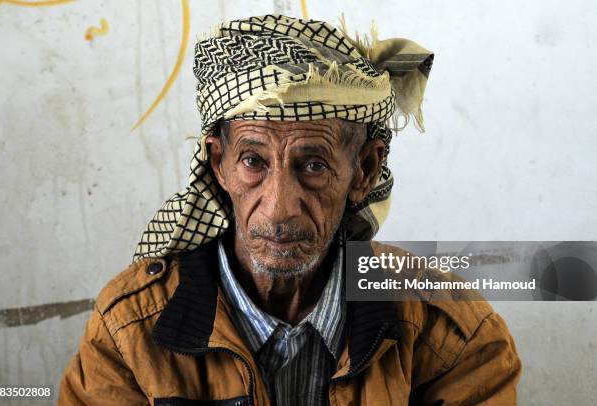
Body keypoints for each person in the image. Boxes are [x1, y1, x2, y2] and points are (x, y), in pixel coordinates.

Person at [59, 15, 521, 405]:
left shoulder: (450, 332)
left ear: (365, 169)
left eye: (313, 165)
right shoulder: (128, 331)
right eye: (254, 162)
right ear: (218, 163)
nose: (279, 209)